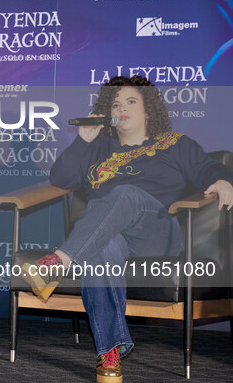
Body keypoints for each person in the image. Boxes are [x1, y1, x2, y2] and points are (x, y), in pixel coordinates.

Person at [22, 75, 233, 382]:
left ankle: (59, 262)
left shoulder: (173, 144)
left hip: (157, 232)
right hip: (111, 236)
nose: (122, 108)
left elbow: (207, 168)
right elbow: (61, 178)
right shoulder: (97, 147)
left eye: (131, 102)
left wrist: (224, 180)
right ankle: (110, 352)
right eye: (116, 103)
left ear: (149, 111)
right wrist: (83, 139)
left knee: (125, 193)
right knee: (101, 248)